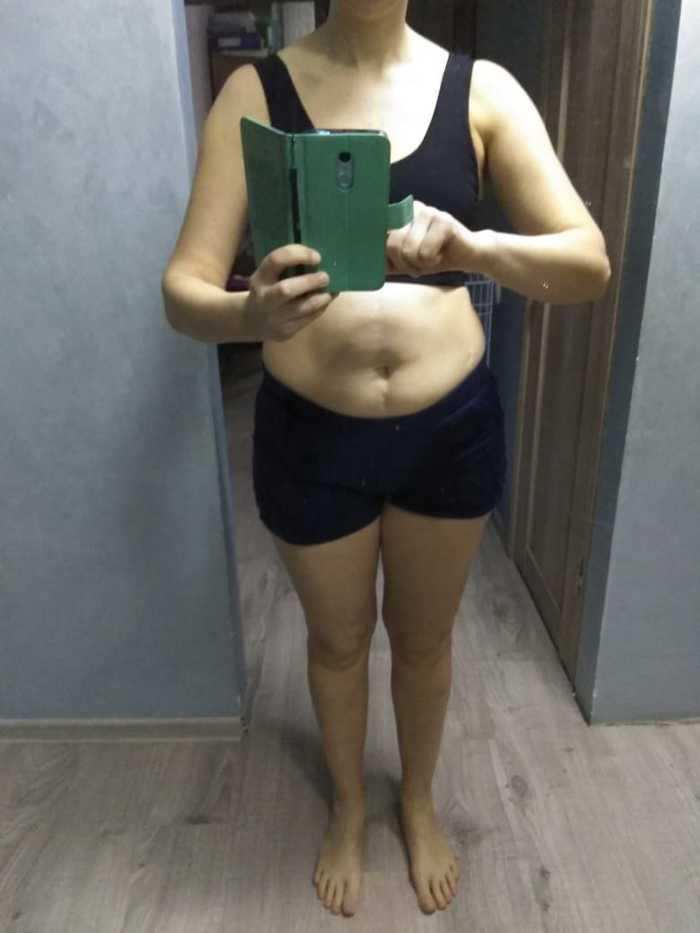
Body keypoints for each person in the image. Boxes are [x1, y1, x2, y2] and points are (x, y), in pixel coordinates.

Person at [162, 0, 611, 918]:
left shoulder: (482, 92)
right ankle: (347, 805)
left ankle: (416, 800)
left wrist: (475, 247)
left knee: (424, 638)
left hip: (449, 429)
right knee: (337, 643)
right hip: (312, 435)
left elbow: (588, 262)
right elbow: (183, 291)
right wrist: (248, 312)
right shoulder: (255, 92)